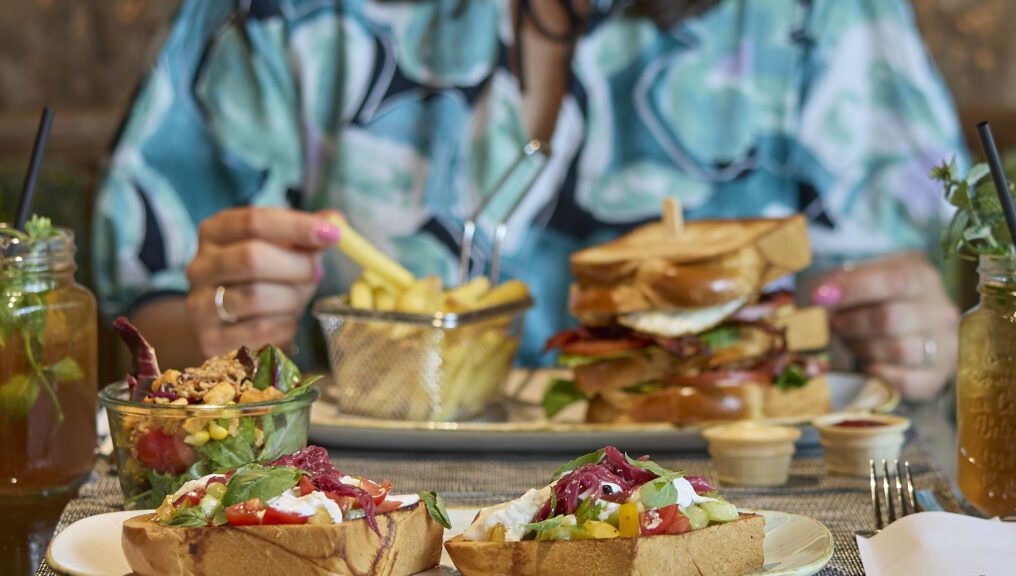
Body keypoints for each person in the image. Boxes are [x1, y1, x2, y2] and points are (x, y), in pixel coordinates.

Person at [93, 0, 966, 400]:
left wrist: (918, 336)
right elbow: (151, 311)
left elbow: (902, 304)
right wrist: (222, 325)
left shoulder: (825, 15)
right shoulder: (280, 13)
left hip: (739, 486)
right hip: (363, 492)